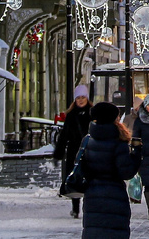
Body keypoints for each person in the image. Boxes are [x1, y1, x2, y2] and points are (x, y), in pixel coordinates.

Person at [81, 102, 142, 239]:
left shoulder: (87, 141)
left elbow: (81, 167)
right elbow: (126, 172)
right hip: (114, 197)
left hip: (93, 198)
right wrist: (136, 154)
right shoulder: (118, 143)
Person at [54, 85, 93, 218]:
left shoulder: (92, 113)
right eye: (78, 98)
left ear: (87, 98)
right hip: (74, 152)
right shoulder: (71, 115)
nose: (81, 100)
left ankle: (88, 206)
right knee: (75, 178)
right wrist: (58, 153)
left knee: (89, 179)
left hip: (90, 151)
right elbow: (64, 135)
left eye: (83, 97)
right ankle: (75, 208)